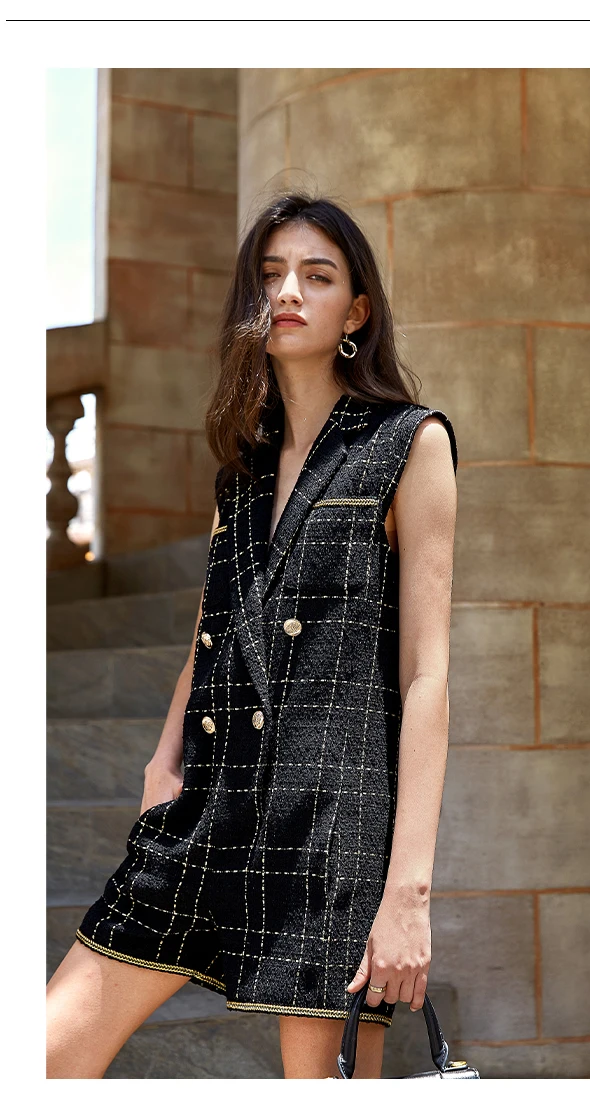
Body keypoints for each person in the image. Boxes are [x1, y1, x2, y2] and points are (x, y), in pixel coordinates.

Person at [46, 191, 458, 1080]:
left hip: (330, 825)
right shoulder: (242, 463)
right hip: (207, 802)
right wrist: (162, 763)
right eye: (271, 274)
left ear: (356, 312)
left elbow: (427, 677)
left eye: (317, 276)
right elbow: (213, 628)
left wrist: (408, 893)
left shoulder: (409, 443)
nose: (289, 292)